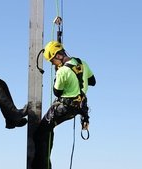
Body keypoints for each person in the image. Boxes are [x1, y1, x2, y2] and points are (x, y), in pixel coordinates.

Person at [32, 41, 96, 169]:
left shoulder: (62, 71)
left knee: (39, 134)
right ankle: (46, 164)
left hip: (65, 107)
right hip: (79, 107)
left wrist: (59, 74)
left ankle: (41, 166)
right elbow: (92, 81)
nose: (52, 64)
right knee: (48, 130)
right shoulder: (82, 63)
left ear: (58, 56)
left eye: (52, 61)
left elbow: (57, 91)